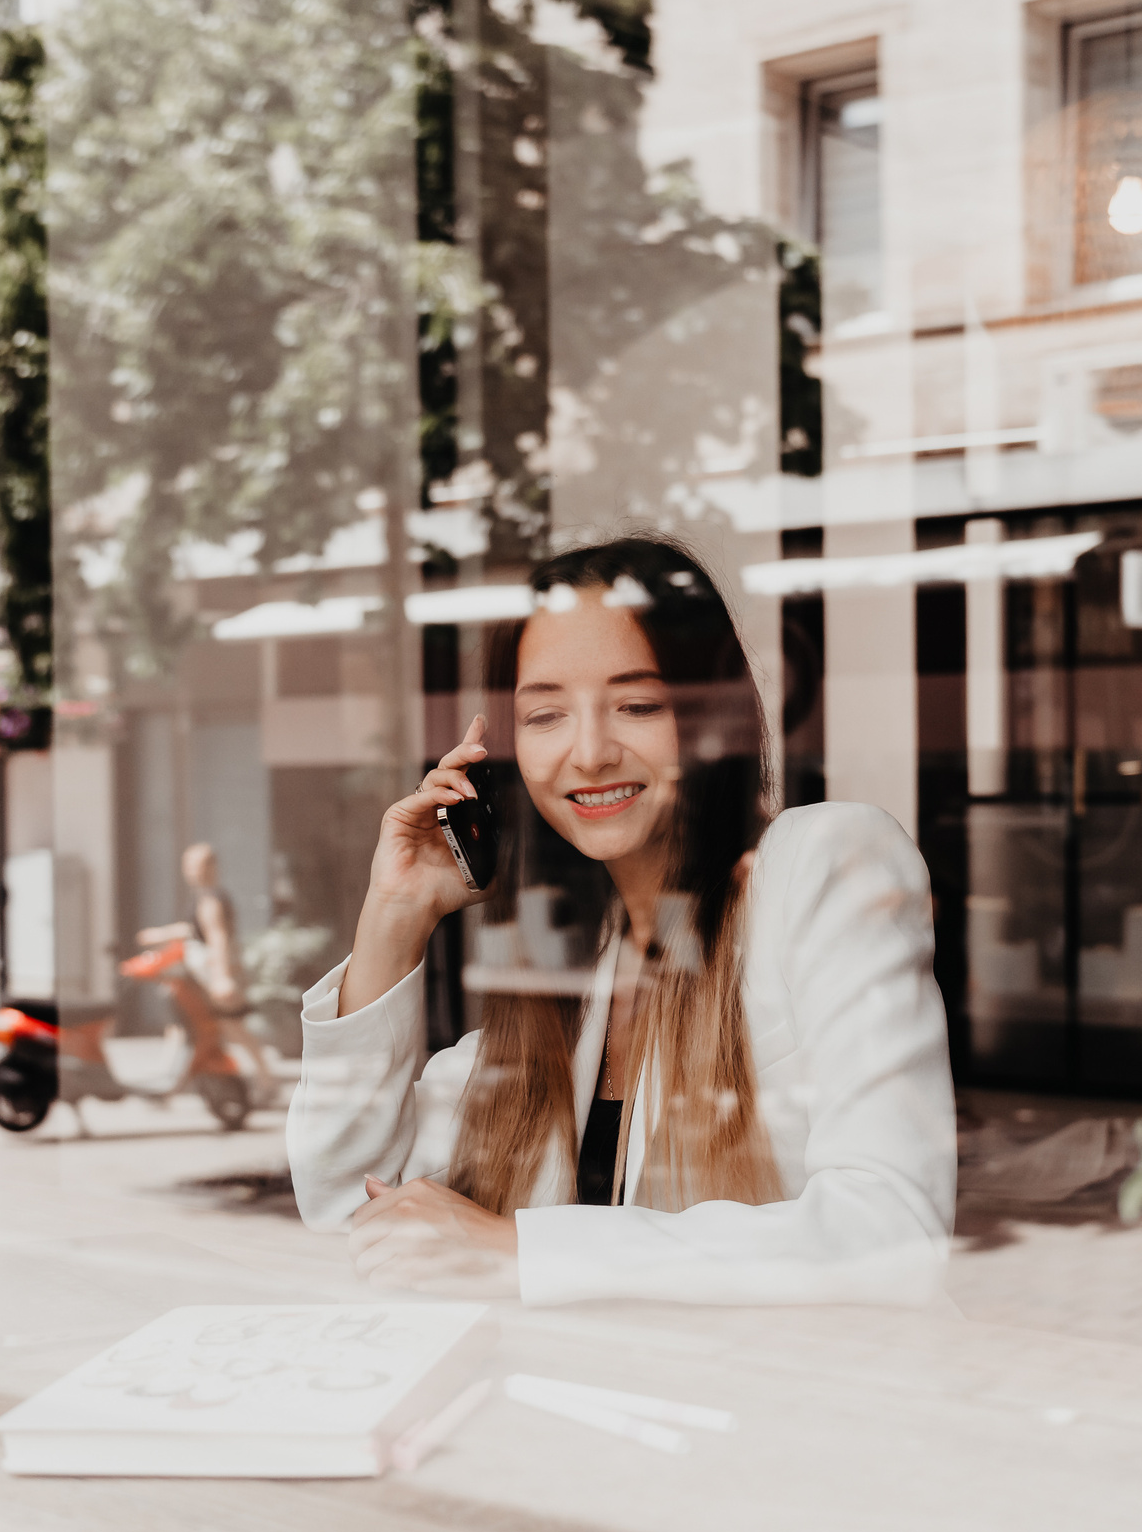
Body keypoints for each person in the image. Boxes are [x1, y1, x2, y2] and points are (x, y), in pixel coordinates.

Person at [287, 534, 957, 1306]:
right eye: (545, 715)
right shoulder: (560, 989)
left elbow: (894, 1235)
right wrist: (396, 913)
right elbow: (345, 1206)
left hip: (798, 1407)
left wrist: (517, 1252)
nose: (592, 750)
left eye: (638, 704)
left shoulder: (823, 862)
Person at [135, 842, 273, 1082]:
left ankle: (266, 1078)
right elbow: (193, 929)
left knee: (233, 1025)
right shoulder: (205, 897)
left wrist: (221, 979)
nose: (193, 871)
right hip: (207, 975)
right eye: (189, 865)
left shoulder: (211, 899)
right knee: (187, 1023)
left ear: (212, 866)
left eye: (198, 865)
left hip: (213, 974)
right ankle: (172, 1077)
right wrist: (162, 934)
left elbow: (216, 937)